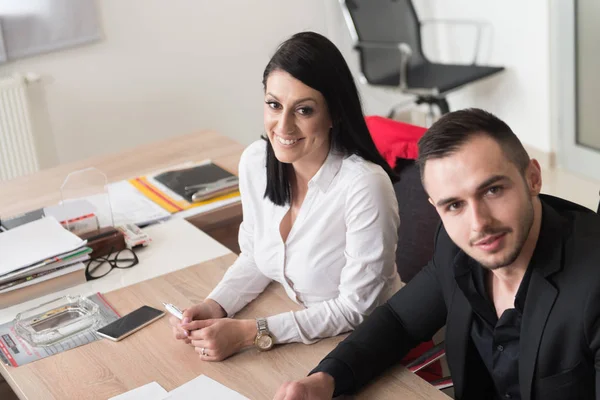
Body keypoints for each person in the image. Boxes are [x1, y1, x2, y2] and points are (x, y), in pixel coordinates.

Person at [274, 108, 600, 400]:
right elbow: (399, 321)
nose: (478, 224)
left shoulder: (593, 289)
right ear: (438, 209)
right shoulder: (454, 244)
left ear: (533, 178)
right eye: (454, 205)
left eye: (493, 190)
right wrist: (326, 379)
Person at [168, 31, 402, 361]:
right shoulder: (255, 162)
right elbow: (256, 258)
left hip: (367, 346)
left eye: (304, 110)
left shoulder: (364, 186)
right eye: (274, 105)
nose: (284, 126)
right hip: (307, 339)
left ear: (334, 113)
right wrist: (213, 306)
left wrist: (251, 332)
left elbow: (356, 309)